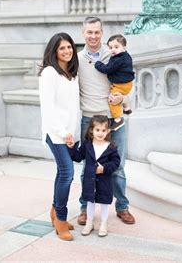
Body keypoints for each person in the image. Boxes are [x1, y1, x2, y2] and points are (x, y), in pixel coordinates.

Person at [77, 16, 135, 225]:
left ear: (102, 33)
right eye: (89, 32)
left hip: (114, 118)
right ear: (83, 33)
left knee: (118, 165)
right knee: (89, 167)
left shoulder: (114, 52)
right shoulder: (77, 59)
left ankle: (122, 207)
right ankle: (85, 208)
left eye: (97, 32)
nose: (93, 36)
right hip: (90, 120)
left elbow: (128, 81)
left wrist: (125, 98)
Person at [38, 32, 81, 241]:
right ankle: (61, 220)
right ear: (54, 51)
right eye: (62, 48)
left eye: (69, 47)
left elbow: (72, 107)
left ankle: (55, 212)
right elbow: (48, 108)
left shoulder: (72, 73)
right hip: (55, 133)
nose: (67, 51)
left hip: (69, 134)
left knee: (62, 172)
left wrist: (73, 133)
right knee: (67, 173)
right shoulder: (49, 73)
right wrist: (63, 133)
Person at [68, 115, 121, 237]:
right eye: (97, 130)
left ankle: (103, 223)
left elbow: (116, 162)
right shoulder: (87, 144)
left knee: (104, 202)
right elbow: (77, 157)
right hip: (89, 181)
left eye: (103, 130)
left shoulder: (111, 146)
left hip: (104, 181)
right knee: (90, 201)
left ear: (108, 131)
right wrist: (71, 147)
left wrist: (105, 168)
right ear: (91, 130)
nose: (100, 133)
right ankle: (89, 222)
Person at [95, 34, 135, 131]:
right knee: (121, 95)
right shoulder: (126, 56)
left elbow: (108, 68)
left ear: (124, 47)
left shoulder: (118, 59)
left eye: (116, 47)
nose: (113, 50)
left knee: (113, 100)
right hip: (127, 83)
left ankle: (118, 120)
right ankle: (127, 108)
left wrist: (98, 64)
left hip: (121, 84)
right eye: (110, 47)